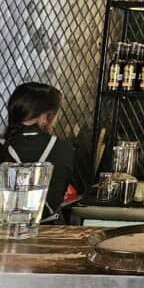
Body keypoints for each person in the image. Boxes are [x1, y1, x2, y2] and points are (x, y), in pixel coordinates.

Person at [0, 83, 85, 221]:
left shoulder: (3, 146)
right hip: (45, 232)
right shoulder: (62, 148)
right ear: (46, 116)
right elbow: (63, 196)